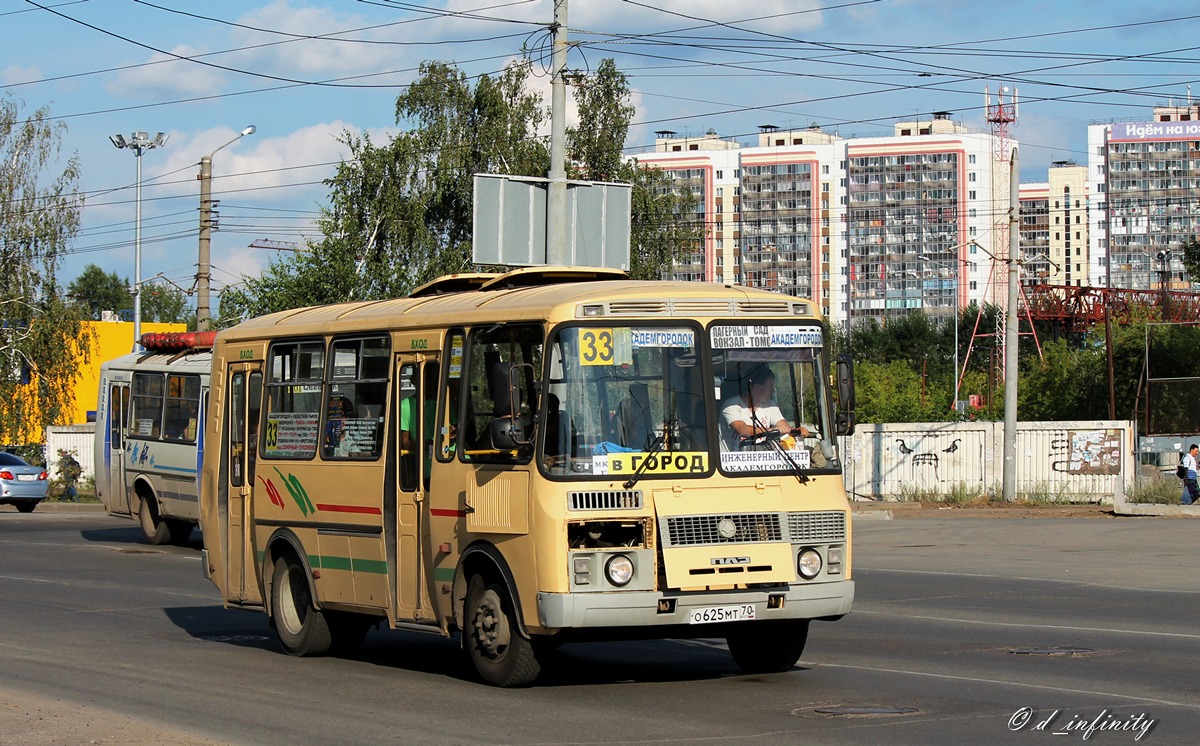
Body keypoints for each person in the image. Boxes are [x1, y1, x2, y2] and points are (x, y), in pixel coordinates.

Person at [720, 367, 807, 450]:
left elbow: (783, 427)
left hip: (761, 459)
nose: (773, 390)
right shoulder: (731, 405)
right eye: (771, 386)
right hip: (732, 462)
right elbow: (742, 430)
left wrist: (797, 430)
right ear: (757, 388)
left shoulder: (770, 405)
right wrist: (773, 430)